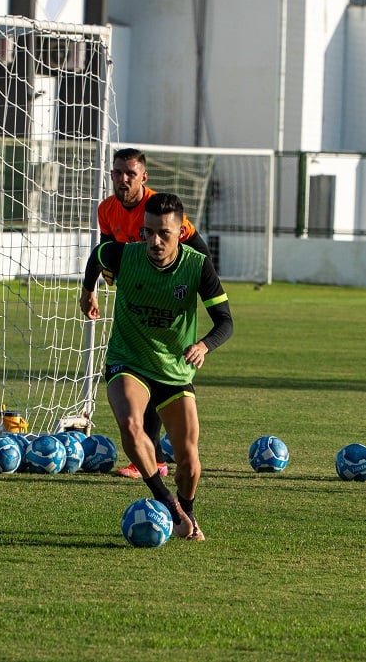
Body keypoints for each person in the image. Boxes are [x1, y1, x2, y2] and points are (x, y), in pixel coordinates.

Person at [80, 192, 232, 540]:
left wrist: (204, 345)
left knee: (189, 461)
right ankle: (169, 505)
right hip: (129, 360)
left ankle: (186, 511)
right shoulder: (124, 254)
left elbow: (225, 321)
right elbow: (97, 254)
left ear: (181, 232)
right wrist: (88, 290)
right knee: (132, 425)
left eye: (164, 233)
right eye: (148, 232)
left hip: (175, 370)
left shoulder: (197, 265)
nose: (154, 240)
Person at [97, 147, 213, 479]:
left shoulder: (160, 211)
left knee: (158, 372)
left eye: (129, 173)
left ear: (143, 177)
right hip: (138, 295)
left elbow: (197, 248)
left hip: (170, 296)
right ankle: (155, 455)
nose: (122, 179)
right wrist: (103, 281)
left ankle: (155, 456)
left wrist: (196, 283)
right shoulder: (106, 209)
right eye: (117, 173)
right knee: (139, 374)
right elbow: (106, 251)